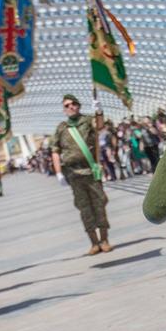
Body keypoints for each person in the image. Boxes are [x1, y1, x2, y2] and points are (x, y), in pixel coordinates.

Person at [53, 95, 110, 255]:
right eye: (67, 105)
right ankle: (94, 242)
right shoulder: (61, 128)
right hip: (73, 173)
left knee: (99, 203)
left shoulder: (87, 120)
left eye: (73, 104)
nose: (70, 107)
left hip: (91, 169)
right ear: (64, 110)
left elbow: (99, 126)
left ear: (78, 106)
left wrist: (99, 111)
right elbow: (55, 151)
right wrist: (58, 173)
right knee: (84, 207)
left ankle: (104, 239)